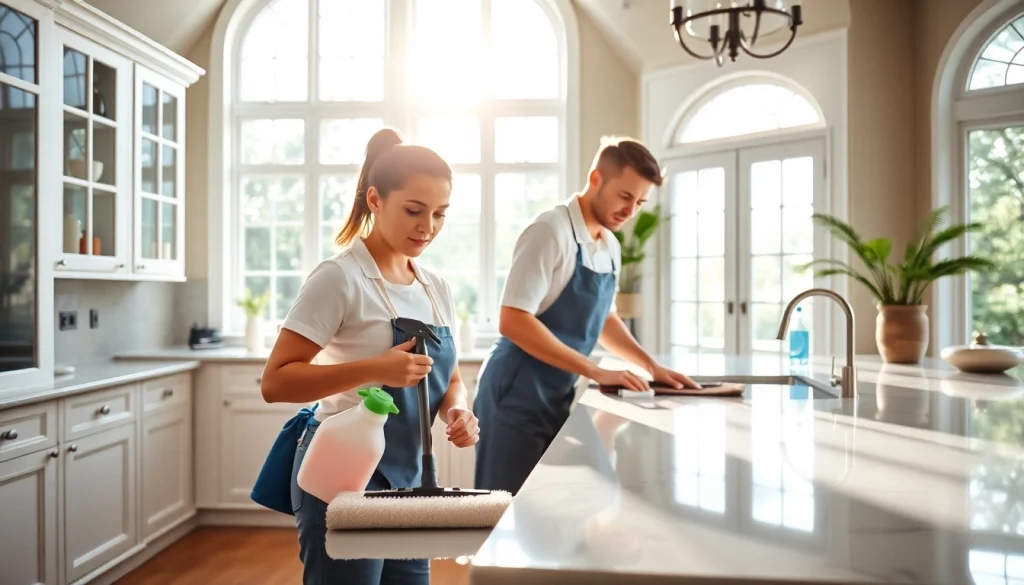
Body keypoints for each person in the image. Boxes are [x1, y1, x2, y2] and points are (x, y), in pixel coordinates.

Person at [259, 128, 480, 585]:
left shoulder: (435, 287)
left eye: (440, 214)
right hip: (343, 472)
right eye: (414, 211)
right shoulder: (339, 278)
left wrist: (459, 410)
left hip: (410, 476)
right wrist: (377, 369)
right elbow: (276, 382)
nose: (428, 227)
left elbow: (449, 376)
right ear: (376, 200)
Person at [473, 136, 699, 496]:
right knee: (507, 512)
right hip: (515, 391)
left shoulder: (608, 244)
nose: (631, 210)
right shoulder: (550, 231)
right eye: (625, 197)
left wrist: (651, 366)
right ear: (596, 179)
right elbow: (513, 320)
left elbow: (605, 319)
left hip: (556, 392)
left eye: (640, 202)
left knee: (561, 505)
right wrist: (595, 370)